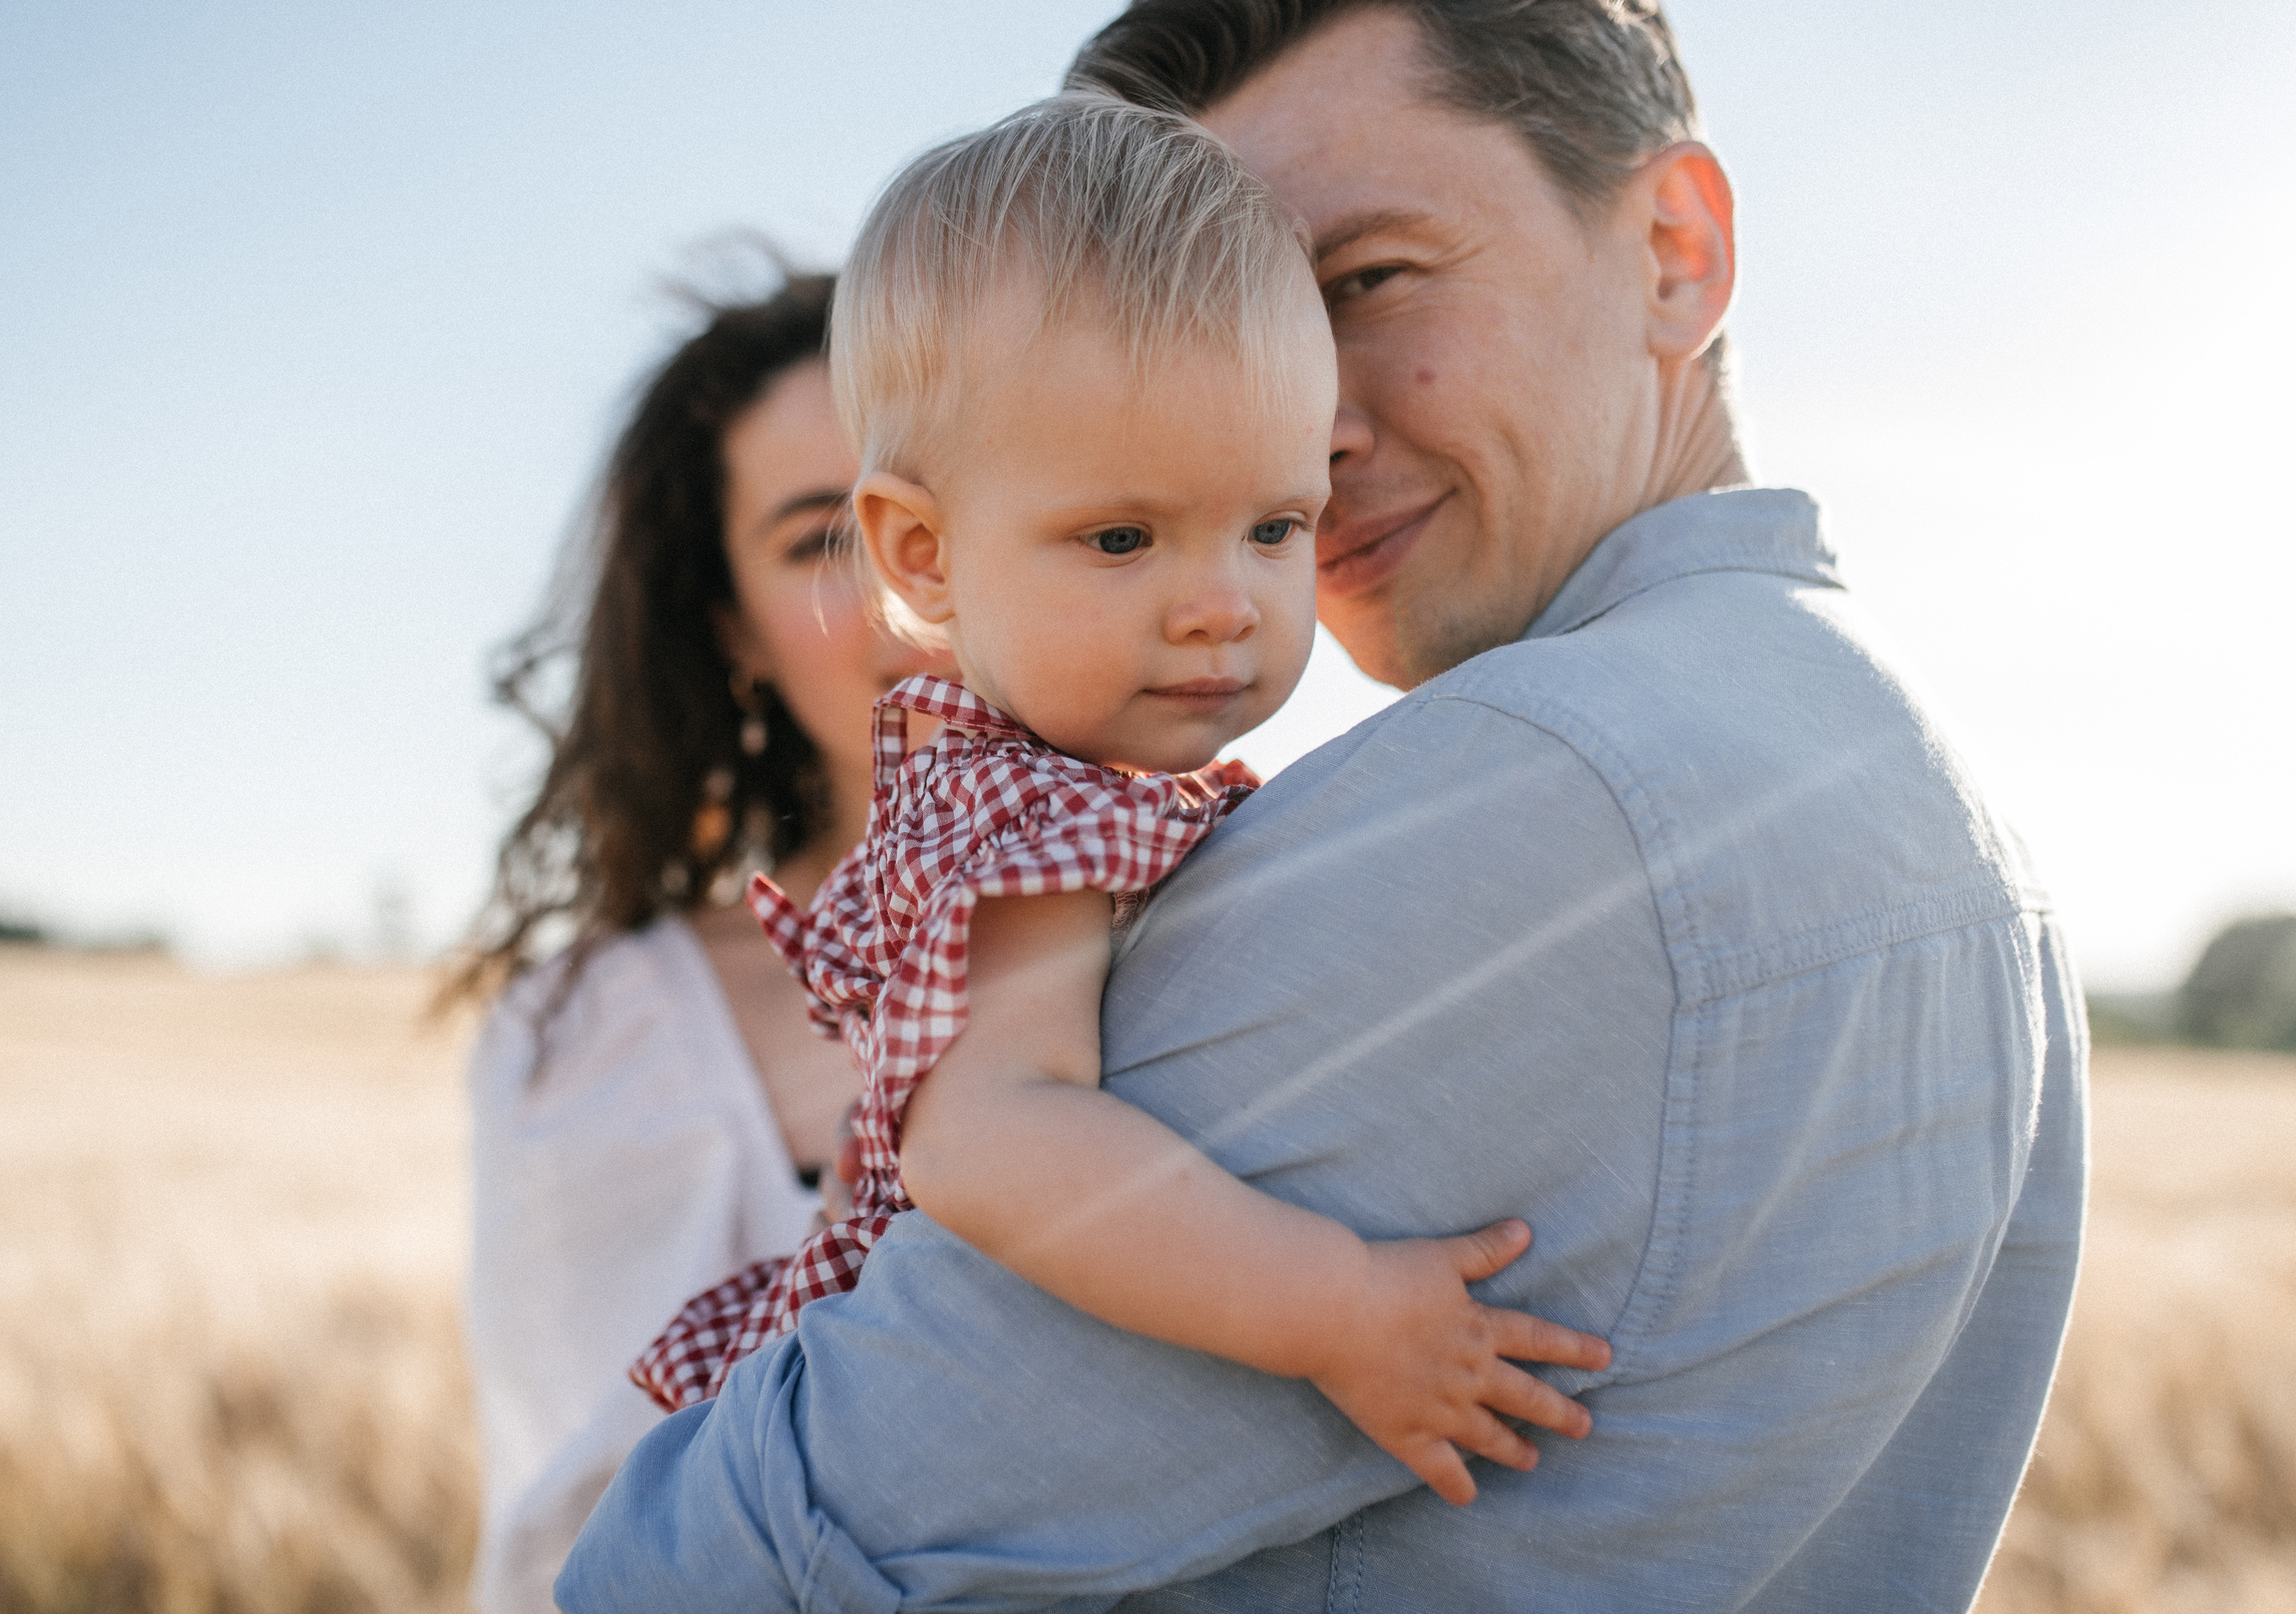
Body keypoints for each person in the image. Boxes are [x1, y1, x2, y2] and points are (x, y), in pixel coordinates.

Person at [560, 0, 2089, 1609]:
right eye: (1227, 321)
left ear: (1673, 247)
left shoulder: (1552, 789)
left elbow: (745, 1563)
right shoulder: (1956, 816)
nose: (1291, 414)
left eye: (1362, 283)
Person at [625, 99, 1612, 1500]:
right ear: (925, 553)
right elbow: (991, 1142)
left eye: (1273, 526)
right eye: (1122, 536)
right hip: (917, 1472)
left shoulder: (1080, 783)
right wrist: (1337, 1306)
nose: (1220, 606)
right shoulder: (1021, 816)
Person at [453, 267, 946, 1614]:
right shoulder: (614, 1032)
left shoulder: (1266, 878)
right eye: (817, 539)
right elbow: (576, 1547)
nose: (906, 582)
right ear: (734, 630)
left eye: (941, 495)